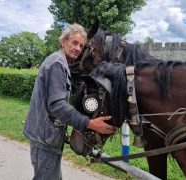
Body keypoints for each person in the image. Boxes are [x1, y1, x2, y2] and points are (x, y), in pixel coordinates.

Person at [23, 23, 117, 180]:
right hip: (45, 138)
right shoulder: (57, 64)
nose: (78, 48)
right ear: (63, 42)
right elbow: (57, 105)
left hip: (45, 136)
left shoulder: (60, 63)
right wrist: (90, 123)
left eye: (81, 45)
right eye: (74, 43)